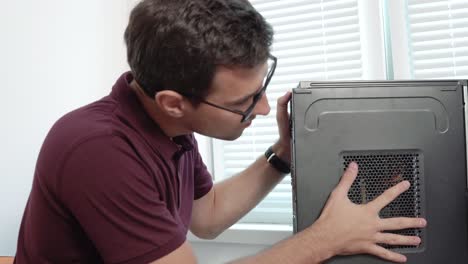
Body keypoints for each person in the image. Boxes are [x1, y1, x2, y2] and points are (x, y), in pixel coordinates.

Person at [14, 0, 427, 263]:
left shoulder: (170, 127)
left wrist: (284, 153)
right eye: (243, 102)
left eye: (262, 89)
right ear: (173, 102)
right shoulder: (98, 149)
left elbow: (206, 217)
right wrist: (325, 239)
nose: (264, 109)